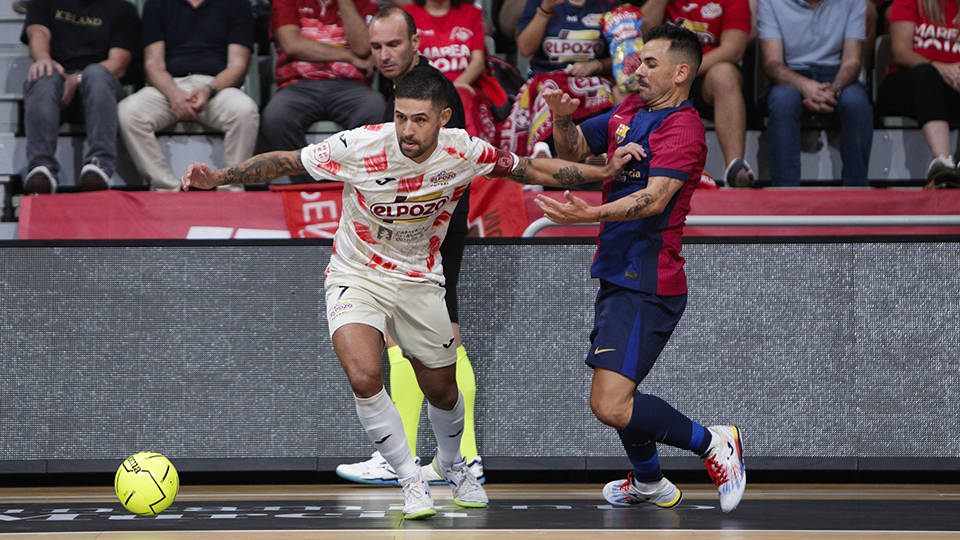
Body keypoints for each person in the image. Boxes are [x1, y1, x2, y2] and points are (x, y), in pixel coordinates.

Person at [180, 67, 642, 519]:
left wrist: (599, 171)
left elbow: (529, 167)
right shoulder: (359, 145)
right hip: (355, 272)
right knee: (363, 375)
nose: (407, 128)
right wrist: (219, 177)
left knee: (441, 390)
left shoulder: (463, 150)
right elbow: (286, 160)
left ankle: (452, 464)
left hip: (419, 277)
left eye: (419, 119)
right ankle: (409, 479)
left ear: (443, 119)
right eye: (401, 116)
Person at [540, 24, 746, 513]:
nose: (636, 71)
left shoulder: (685, 127)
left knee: (610, 403)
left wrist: (589, 213)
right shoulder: (629, 111)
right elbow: (573, 152)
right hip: (618, 273)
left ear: (680, 72)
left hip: (649, 281)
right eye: (636, 62)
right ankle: (650, 482)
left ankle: (713, 443)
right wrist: (562, 119)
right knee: (619, 396)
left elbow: (654, 200)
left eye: (649, 64)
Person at [334, 5, 484, 487]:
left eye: (394, 45)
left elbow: (446, 174)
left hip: (433, 242)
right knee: (418, 347)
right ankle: (455, 459)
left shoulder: (433, 92)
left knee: (443, 346)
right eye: (375, 47)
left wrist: (431, 242)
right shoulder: (400, 91)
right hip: (412, 243)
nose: (384, 55)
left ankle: (464, 457)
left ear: (417, 42)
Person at [117, 0, 260, 192]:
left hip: (216, 86)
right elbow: (153, 64)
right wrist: (174, 94)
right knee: (128, 111)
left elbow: (238, 66)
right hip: (169, 86)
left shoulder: (236, 4)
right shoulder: (157, 4)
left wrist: (208, 90)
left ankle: (231, 186)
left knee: (245, 110)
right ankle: (164, 187)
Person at [19, 0, 139, 194]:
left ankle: (99, 165)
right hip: (57, 86)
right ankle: (41, 169)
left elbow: (119, 63)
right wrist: (44, 61)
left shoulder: (121, 9)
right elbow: (37, 32)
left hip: (101, 89)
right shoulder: (44, 2)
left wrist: (76, 79)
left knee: (96, 74)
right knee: (44, 76)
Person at [260, 0, 385, 184]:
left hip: (352, 86)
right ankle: (309, 186)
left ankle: (352, 184)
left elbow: (363, 47)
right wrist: (348, 56)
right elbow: (292, 45)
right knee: (276, 118)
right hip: (298, 84)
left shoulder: (363, 2)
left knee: (376, 111)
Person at [641, 0, 757, 188]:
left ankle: (735, 169)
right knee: (634, 78)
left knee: (725, 74)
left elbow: (733, 49)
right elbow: (640, 32)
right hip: (664, 75)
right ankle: (633, 172)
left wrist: (684, 71)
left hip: (705, 76)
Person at [757, 0, 873, 187]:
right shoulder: (771, 2)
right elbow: (772, 63)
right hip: (791, 72)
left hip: (836, 74)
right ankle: (785, 193)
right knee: (782, 101)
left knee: (856, 101)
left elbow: (852, 61)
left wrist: (834, 88)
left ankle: (857, 189)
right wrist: (803, 84)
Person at [500, 0, 617, 156]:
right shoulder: (538, 3)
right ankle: (541, 151)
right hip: (547, 78)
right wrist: (546, 9)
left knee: (603, 91)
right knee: (549, 92)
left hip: (592, 79)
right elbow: (526, 49)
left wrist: (596, 65)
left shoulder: (607, 4)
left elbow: (622, 54)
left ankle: (597, 150)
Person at [877, 0, 960, 188]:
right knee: (927, 74)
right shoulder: (910, 1)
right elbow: (900, 52)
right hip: (907, 82)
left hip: (952, 86)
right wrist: (941, 68)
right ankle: (944, 165)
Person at [404, 0, 502, 144]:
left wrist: (451, 89)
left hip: (464, 85)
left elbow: (478, 62)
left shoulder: (472, 13)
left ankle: (469, 156)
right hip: (421, 88)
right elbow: (404, 62)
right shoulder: (407, 15)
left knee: (462, 96)